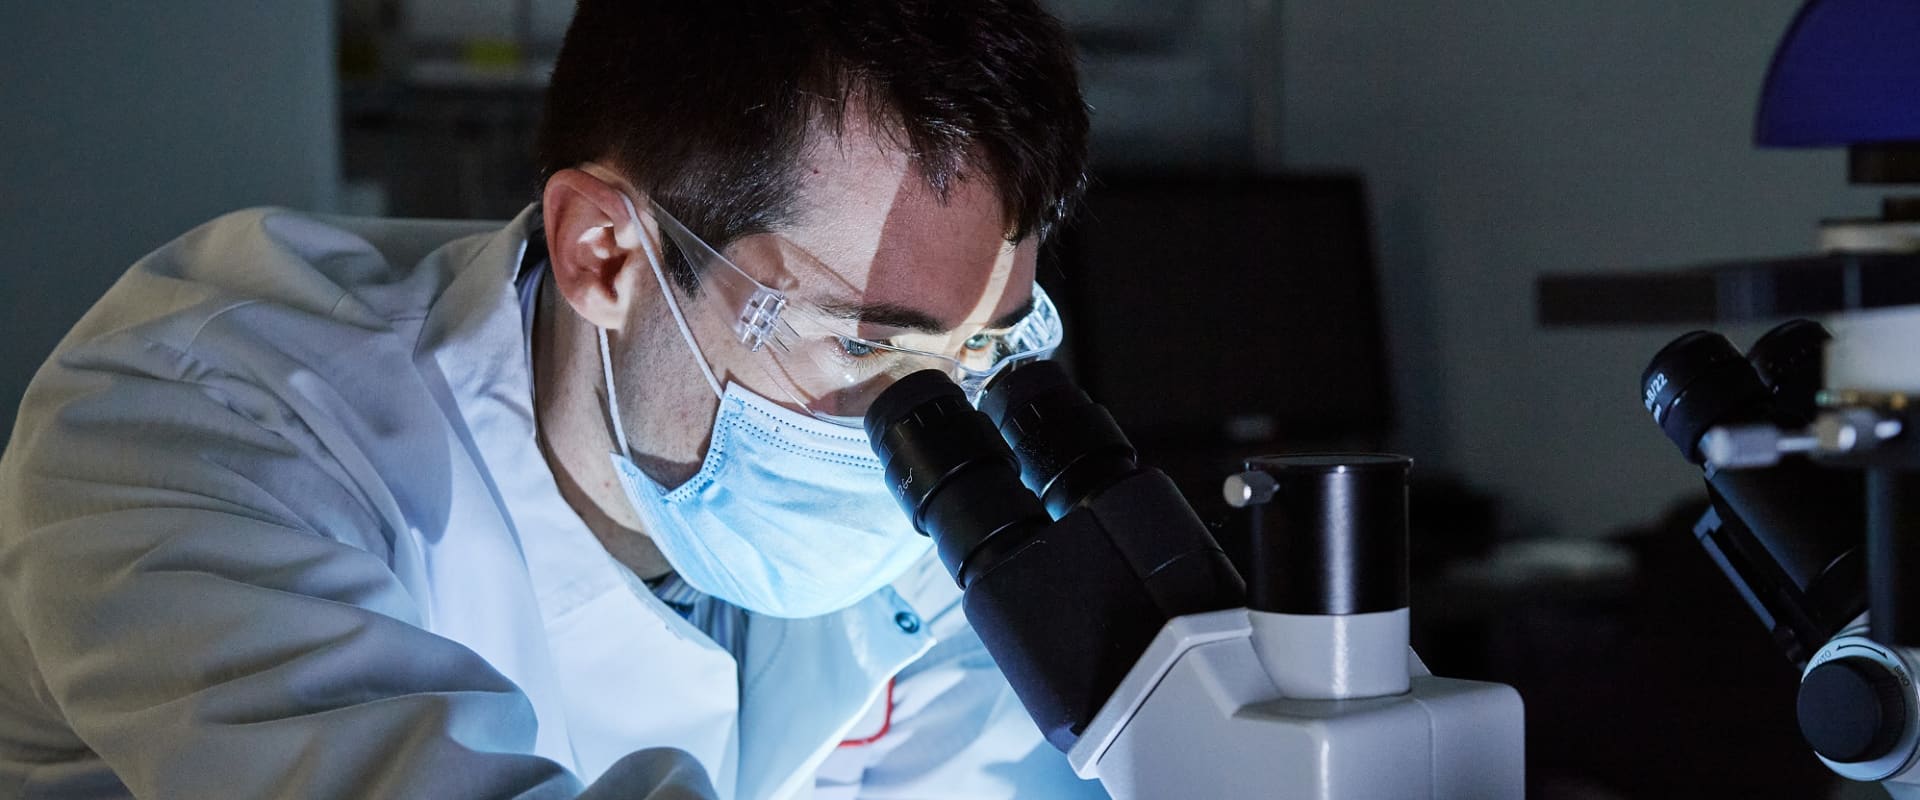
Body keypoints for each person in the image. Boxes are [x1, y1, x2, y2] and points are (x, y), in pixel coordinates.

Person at [0, 1, 1096, 797]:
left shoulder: (904, 512)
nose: (924, 425)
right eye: (868, 345)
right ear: (607, 254)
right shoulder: (197, 427)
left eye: (982, 352)